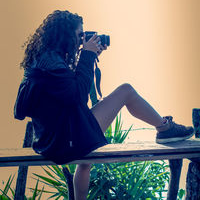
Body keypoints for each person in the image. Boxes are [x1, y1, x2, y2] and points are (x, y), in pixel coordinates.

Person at [14, 10, 194, 200]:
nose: (82, 40)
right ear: (66, 35)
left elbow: (65, 91)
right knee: (126, 91)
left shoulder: (43, 60)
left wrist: (87, 56)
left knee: (86, 161)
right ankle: (164, 128)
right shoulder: (53, 64)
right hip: (65, 140)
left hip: (49, 140)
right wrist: (88, 55)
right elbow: (79, 96)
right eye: (79, 35)